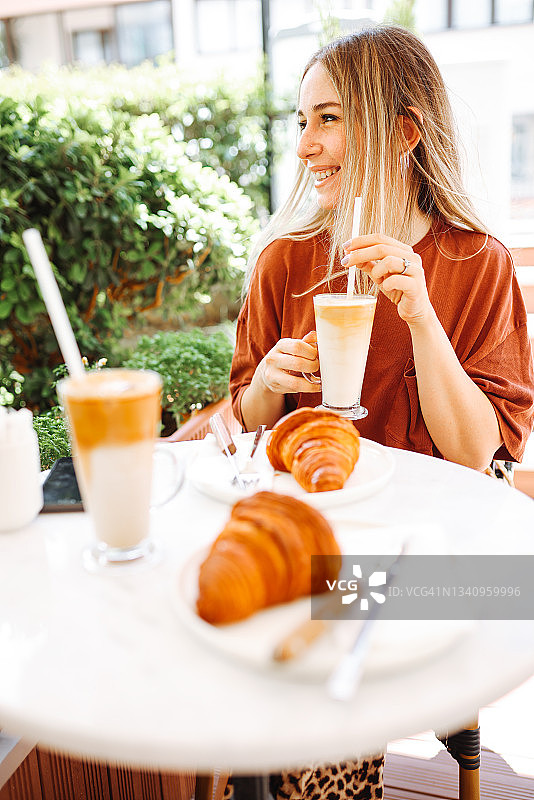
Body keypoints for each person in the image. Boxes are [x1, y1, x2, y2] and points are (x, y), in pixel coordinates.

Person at [228, 23, 534, 800]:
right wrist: (265, 382)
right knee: (249, 603)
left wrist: (423, 317)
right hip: (317, 546)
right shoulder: (285, 261)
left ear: (403, 131)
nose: (304, 146)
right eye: (301, 122)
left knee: (292, 617)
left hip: (456, 569)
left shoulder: (478, 263)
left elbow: (479, 456)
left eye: (329, 118)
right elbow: (241, 422)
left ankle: (302, 764)